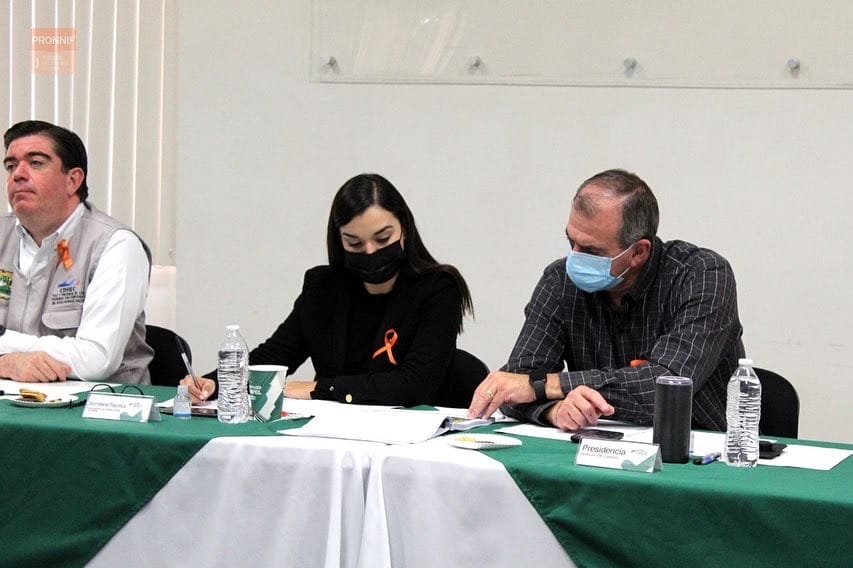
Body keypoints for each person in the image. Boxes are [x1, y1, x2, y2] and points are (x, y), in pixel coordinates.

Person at [468, 169, 744, 431]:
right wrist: (555, 410)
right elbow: (514, 385)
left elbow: (665, 387)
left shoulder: (702, 275)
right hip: (594, 445)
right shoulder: (560, 281)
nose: (575, 258)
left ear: (639, 252)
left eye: (591, 251)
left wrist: (544, 386)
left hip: (698, 450)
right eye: (571, 242)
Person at [183, 173, 473, 406]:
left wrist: (322, 388)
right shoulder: (323, 288)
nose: (370, 251)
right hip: (331, 435)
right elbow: (275, 355)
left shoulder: (438, 288)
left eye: (383, 239)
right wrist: (216, 382)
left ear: (404, 229)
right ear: (339, 240)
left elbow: (415, 384)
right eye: (354, 243)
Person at [0, 120, 153, 383]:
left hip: (100, 404)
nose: (18, 174)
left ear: (72, 180)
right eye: (11, 166)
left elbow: (95, 360)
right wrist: (8, 363)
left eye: (36, 163)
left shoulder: (115, 244)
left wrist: (6, 346)